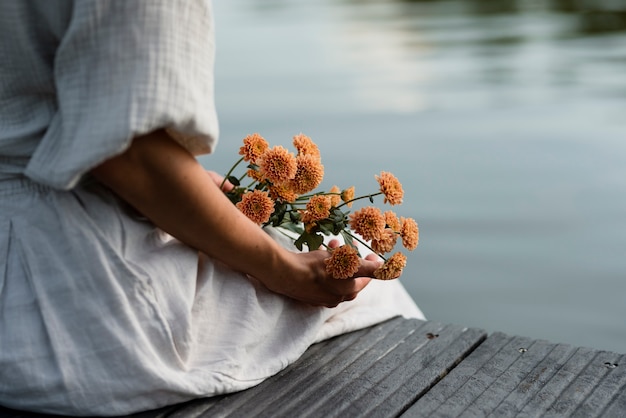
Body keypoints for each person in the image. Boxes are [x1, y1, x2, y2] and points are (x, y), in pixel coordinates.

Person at [0, 1, 424, 415]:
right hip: (67, 312)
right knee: (376, 290)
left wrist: (196, 182)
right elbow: (129, 156)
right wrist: (286, 270)